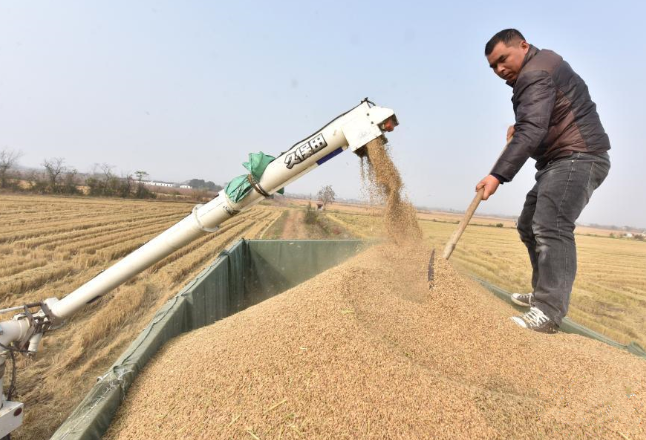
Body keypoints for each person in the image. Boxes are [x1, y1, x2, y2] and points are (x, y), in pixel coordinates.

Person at [476, 29, 611, 333]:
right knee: (528, 223)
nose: (499, 70)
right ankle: (542, 294)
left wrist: (497, 174)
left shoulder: (534, 73)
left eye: (503, 59)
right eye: (493, 66)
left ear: (523, 46)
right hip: (563, 158)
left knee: (552, 226)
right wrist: (521, 125)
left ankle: (548, 312)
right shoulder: (541, 66)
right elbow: (541, 117)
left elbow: (535, 128)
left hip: (577, 156)